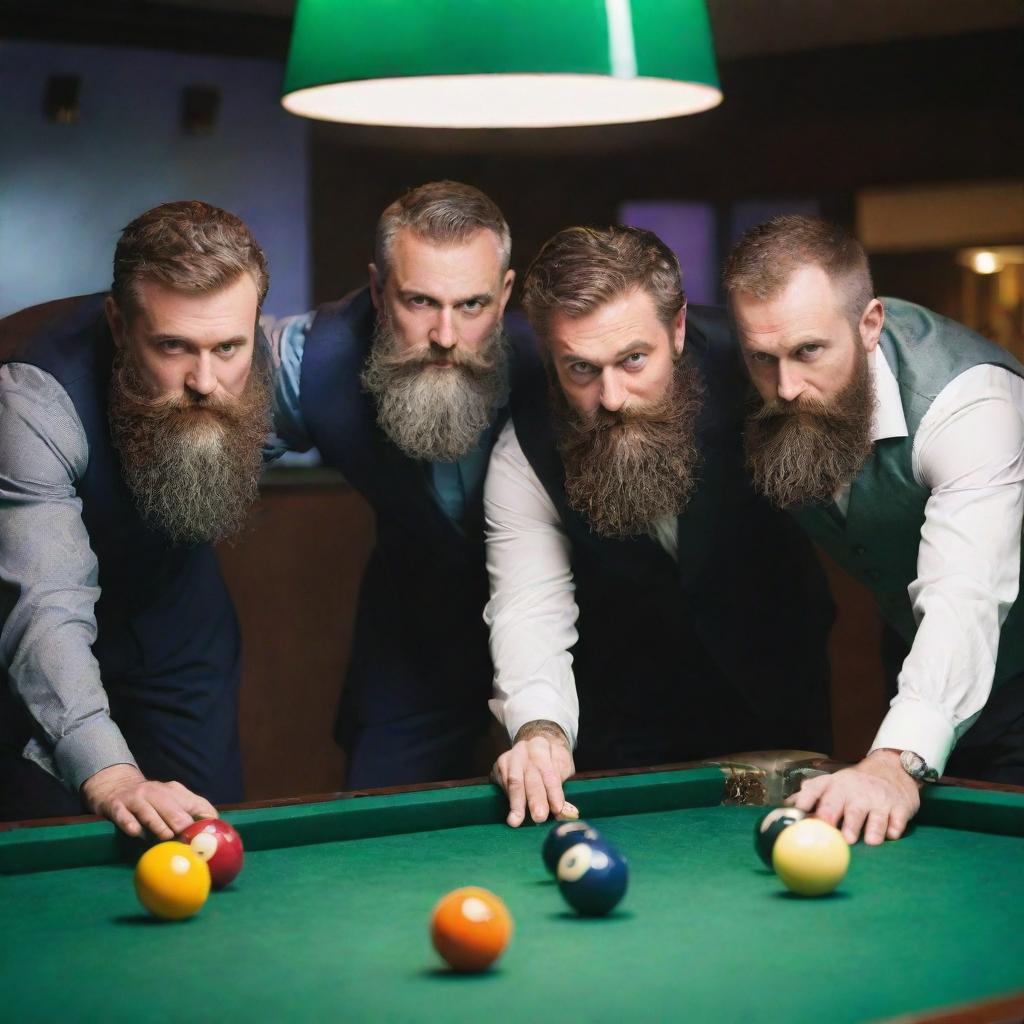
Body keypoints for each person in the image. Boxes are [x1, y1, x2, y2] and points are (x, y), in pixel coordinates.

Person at [484, 225, 834, 827]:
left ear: (676, 331)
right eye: (581, 370)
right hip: (629, 724)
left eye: (633, 360)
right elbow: (528, 606)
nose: (613, 396)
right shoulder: (525, 451)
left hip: (780, 695)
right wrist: (539, 729)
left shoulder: (761, 373)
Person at [723, 214, 1024, 845]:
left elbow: (964, 596)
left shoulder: (970, 406)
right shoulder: (772, 382)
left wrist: (893, 761)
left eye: (809, 351)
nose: (786, 388)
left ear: (870, 324)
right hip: (923, 661)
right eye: (763, 357)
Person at [0, 200, 273, 835]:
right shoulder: (32, 399)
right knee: (58, 843)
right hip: (33, 633)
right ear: (120, 323)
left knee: (206, 833)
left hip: (179, 638)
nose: (205, 380)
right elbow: (45, 606)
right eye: (173, 346)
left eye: (228, 347)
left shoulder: (251, 348)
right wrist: (112, 773)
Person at [267, 181, 540, 787]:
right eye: (420, 302)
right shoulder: (317, 358)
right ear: (376, 288)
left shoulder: (561, 362)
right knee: (377, 830)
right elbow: (201, 383)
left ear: (505, 294)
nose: (445, 335)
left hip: (571, 643)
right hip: (411, 649)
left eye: (471, 305)